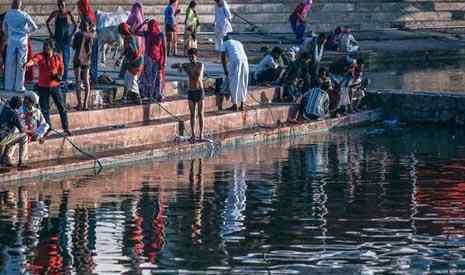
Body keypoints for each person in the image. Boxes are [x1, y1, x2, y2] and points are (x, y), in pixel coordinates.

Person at [25, 39, 71, 136]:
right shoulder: (41, 56)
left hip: (55, 86)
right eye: (45, 46)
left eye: (48, 47)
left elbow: (61, 69)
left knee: (62, 107)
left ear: (52, 48)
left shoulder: (57, 57)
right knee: (45, 109)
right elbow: (34, 60)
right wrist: (27, 64)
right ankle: (48, 127)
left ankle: (66, 128)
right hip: (43, 87)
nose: (46, 48)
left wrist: (59, 76)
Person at [2, 0, 38, 92]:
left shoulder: (8, 14)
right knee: (21, 64)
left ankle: (8, 86)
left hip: (11, 41)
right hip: (22, 42)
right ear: (20, 5)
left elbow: (4, 28)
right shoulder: (24, 15)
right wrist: (26, 33)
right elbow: (34, 27)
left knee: (10, 64)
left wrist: (8, 35)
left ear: (12, 4)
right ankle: (19, 87)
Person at [172, 48, 205, 142]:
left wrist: (187, 70)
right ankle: (193, 134)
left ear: (196, 56)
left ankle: (201, 134)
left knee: (200, 114)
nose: (191, 59)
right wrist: (178, 65)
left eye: (193, 57)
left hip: (199, 91)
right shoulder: (186, 65)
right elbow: (172, 66)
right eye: (190, 57)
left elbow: (197, 77)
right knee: (192, 114)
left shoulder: (200, 65)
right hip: (191, 91)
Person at [46, 0, 77, 89]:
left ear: (65, 5)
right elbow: (47, 22)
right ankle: (55, 79)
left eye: (62, 5)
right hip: (57, 40)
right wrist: (51, 34)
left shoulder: (68, 13)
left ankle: (64, 80)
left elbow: (75, 25)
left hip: (66, 41)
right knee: (55, 61)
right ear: (58, 5)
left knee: (66, 61)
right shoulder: (55, 13)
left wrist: (71, 35)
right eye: (59, 5)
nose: (61, 7)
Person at [135, 19, 166, 101]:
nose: (151, 27)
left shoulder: (160, 35)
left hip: (158, 59)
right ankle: (147, 94)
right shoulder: (147, 33)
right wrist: (142, 24)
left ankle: (158, 94)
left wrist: (163, 62)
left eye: (152, 26)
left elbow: (164, 49)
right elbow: (136, 32)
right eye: (149, 26)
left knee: (158, 77)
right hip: (148, 58)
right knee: (148, 77)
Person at [220, 35, 249, 112]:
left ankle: (235, 105)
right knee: (243, 82)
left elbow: (223, 57)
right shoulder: (238, 42)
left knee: (234, 83)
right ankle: (242, 105)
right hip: (245, 61)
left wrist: (225, 69)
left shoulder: (225, 43)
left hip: (235, 61)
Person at [72, 19, 95, 110]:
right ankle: (85, 104)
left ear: (81, 27)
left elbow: (73, 47)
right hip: (86, 60)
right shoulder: (91, 36)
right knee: (86, 81)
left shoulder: (78, 34)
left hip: (77, 59)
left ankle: (79, 104)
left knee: (78, 81)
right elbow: (90, 50)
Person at [118, 22, 143, 104]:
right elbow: (126, 50)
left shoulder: (130, 38)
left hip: (136, 61)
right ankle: (125, 97)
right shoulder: (127, 38)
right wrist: (120, 58)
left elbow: (134, 51)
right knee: (127, 79)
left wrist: (129, 60)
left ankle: (138, 98)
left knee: (132, 80)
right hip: (133, 61)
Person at [0, 96, 28, 169]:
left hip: (3, 135)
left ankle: (5, 159)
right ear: (17, 106)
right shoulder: (14, 114)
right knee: (24, 137)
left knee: (12, 137)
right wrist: (31, 131)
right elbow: (22, 130)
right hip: (3, 138)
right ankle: (22, 162)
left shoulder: (5, 109)